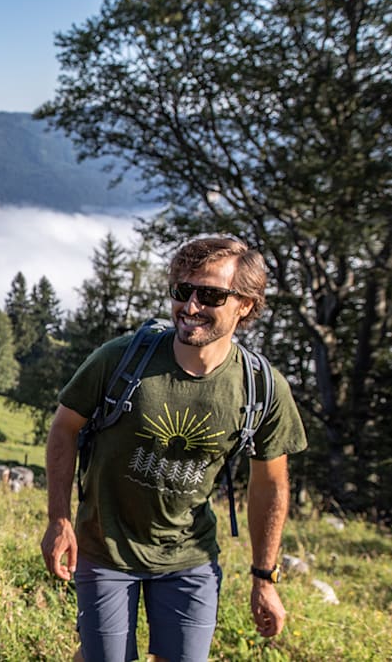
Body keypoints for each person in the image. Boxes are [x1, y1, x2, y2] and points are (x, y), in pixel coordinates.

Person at [39, 235, 307, 662]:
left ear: (246, 305)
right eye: (183, 291)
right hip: (105, 550)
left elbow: (271, 485)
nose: (191, 306)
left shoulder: (263, 388)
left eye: (211, 295)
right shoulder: (120, 359)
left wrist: (264, 577)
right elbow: (64, 428)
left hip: (190, 559)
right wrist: (59, 518)